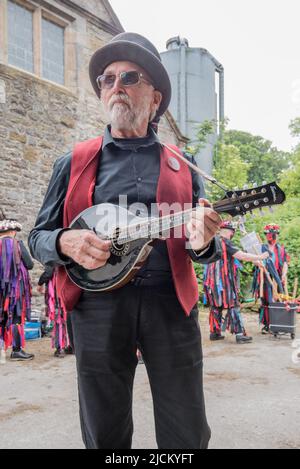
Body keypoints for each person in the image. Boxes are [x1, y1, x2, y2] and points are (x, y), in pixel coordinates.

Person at [29, 32, 222, 449]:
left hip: (170, 305)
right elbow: (37, 238)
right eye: (107, 79)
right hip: (97, 308)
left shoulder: (182, 167)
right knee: (105, 433)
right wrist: (65, 243)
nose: (116, 86)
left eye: (130, 77)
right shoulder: (74, 162)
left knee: (186, 430)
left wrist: (204, 240)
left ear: (155, 99)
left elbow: (206, 249)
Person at [204, 221, 269, 344]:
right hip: (224, 282)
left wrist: (255, 261)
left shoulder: (212, 241)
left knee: (216, 306)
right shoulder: (225, 242)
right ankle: (239, 334)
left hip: (211, 282)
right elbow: (241, 256)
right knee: (233, 305)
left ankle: (215, 332)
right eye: (232, 232)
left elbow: (232, 259)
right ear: (230, 231)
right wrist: (260, 257)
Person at [0, 211, 34, 361]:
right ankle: (16, 350)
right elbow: (30, 264)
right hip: (15, 289)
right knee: (15, 316)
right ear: (13, 231)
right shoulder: (17, 244)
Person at [252, 224, 289, 333]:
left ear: (277, 235)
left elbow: (285, 263)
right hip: (265, 277)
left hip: (277, 278)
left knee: (278, 299)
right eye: (268, 234)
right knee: (266, 301)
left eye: (273, 235)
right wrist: (258, 263)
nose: (271, 237)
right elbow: (254, 259)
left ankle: (278, 323)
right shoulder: (261, 248)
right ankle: (267, 325)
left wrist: (283, 274)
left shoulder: (281, 249)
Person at [38, 266, 74, 357]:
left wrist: (40, 283)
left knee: (59, 321)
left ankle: (60, 348)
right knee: (69, 319)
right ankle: (71, 346)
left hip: (58, 292)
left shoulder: (54, 255)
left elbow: (49, 271)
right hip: (69, 292)